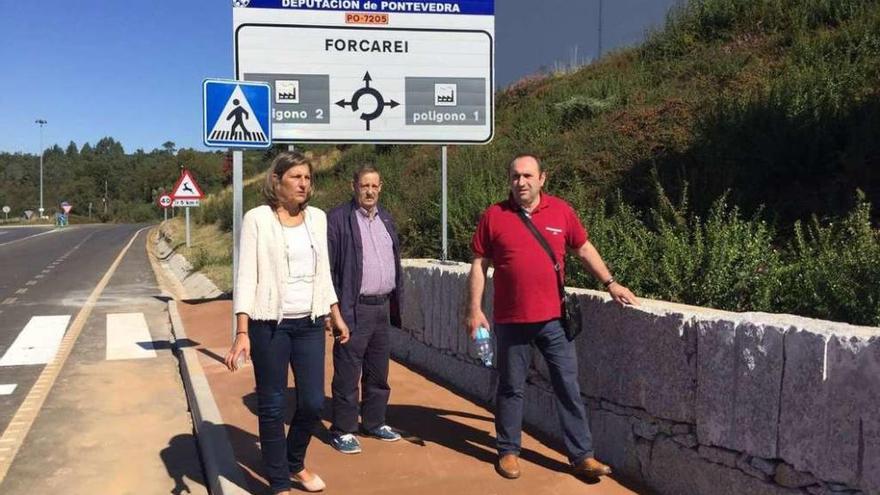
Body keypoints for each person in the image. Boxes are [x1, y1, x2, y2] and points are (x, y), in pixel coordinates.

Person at [465, 153, 638, 480]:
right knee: (511, 388)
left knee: (567, 387)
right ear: (510, 180)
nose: (522, 182)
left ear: (543, 178)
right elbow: (479, 265)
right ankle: (509, 451)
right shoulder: (494, 216)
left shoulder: (561, 211)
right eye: (516, 176)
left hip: (554, 321)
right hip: (510, 321)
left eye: (528, 176)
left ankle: (582, 456)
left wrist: (611, 282)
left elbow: (584, 248)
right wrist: (474, 309)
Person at [225, 151, 351, 494]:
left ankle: (294, 461)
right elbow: (246, 275)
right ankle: (279, 482)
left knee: (312, 402)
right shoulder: (257, 219)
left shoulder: (318, 219)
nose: (303, 184)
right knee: (272, 404)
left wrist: (335, 313)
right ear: (276, 181)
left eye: (307, 178)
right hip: (269, 326)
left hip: (310, 323)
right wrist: (242, 331)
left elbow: (323, 270)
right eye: (296, 177)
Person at [325, 164, 404, 454]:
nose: (369, 191)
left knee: (378, 371)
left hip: (382, 306)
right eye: (364, 186)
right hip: (352, 308)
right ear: (353, 186)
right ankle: (343, 429)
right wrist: (331, 313)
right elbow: (328, 269)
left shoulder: (386, 217)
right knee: (347, 371)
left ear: (380, 187)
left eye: (374, 186)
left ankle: (374, 422)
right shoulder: (337, 219)